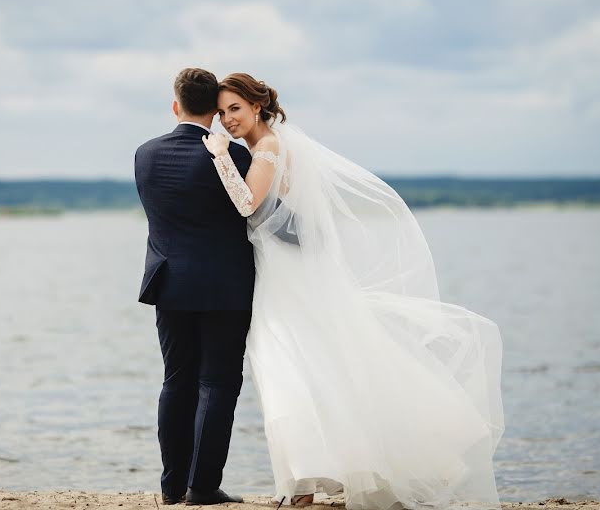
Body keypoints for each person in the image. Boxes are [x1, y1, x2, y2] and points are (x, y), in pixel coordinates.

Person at [201, 73, 505, 510]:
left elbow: (248, 204)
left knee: (285, 362)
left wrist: (219, 158)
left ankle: (305, 483)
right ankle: (307, 480)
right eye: (222, 112)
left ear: (256, 107)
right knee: (304, 364)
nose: (228, 120)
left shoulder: (266, 148)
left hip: (289, 277)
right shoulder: (269, 144)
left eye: (235, 109)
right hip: (286, 268)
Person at [134, 68, 255, 506]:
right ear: (215, 112)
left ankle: (170, 486)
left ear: (175, 105)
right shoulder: (236, 158)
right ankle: (202, 487)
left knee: (176, 381)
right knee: (218, 384)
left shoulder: (144, 155)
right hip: (226, 287)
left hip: (169, 284)